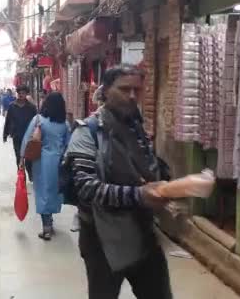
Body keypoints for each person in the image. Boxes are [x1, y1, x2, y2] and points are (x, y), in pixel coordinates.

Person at [66, 65, 172, 299]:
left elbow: (147, 171)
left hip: (142, 231)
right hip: (101, 238)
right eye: (125, 89)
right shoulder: (87, 133)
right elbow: (87, 188)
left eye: (137, 90)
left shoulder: (137, 129)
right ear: (105, 91)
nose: (132, 96)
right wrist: (139, 195)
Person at [20, 92, 70, 241]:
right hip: (59, 161)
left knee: (42, 192)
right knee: (55, 191)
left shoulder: (38, 120)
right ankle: (50, 221)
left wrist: (21, 159)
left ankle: (46, 227)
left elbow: (27, 140)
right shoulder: (65, 124)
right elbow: (69, 144)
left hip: (41, 161)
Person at [3, 85, 37, 179]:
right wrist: (5, 134)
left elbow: (37, 121)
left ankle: (30, 173)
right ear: (17, 94)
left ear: (26, 94)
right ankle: (21, 175)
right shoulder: (12, 106)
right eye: (19, 93)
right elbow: (8, 121)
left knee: (29, 158)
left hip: (29, 136)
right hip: (16, 135)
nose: (21, 95)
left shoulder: (31, 107)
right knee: (18, 156)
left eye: (23, 93)